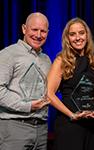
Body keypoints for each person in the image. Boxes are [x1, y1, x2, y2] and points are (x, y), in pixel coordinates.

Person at [47, 17, 94, 150]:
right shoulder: (61, 61)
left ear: (87, 35)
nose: (78, 38)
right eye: (72, 34)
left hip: (92, 125)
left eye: (81, 33)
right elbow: (49, 94)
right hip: (69, 125)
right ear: (67, 38)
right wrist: (71, 115)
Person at [0, 12, 51, 150]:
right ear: (24, 29)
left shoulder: (47, 60)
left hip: (41, 129)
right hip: (14, 127)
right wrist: (27, 106)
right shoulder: (8, 54)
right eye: (34, 30)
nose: (38, 35)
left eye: (43, 31)